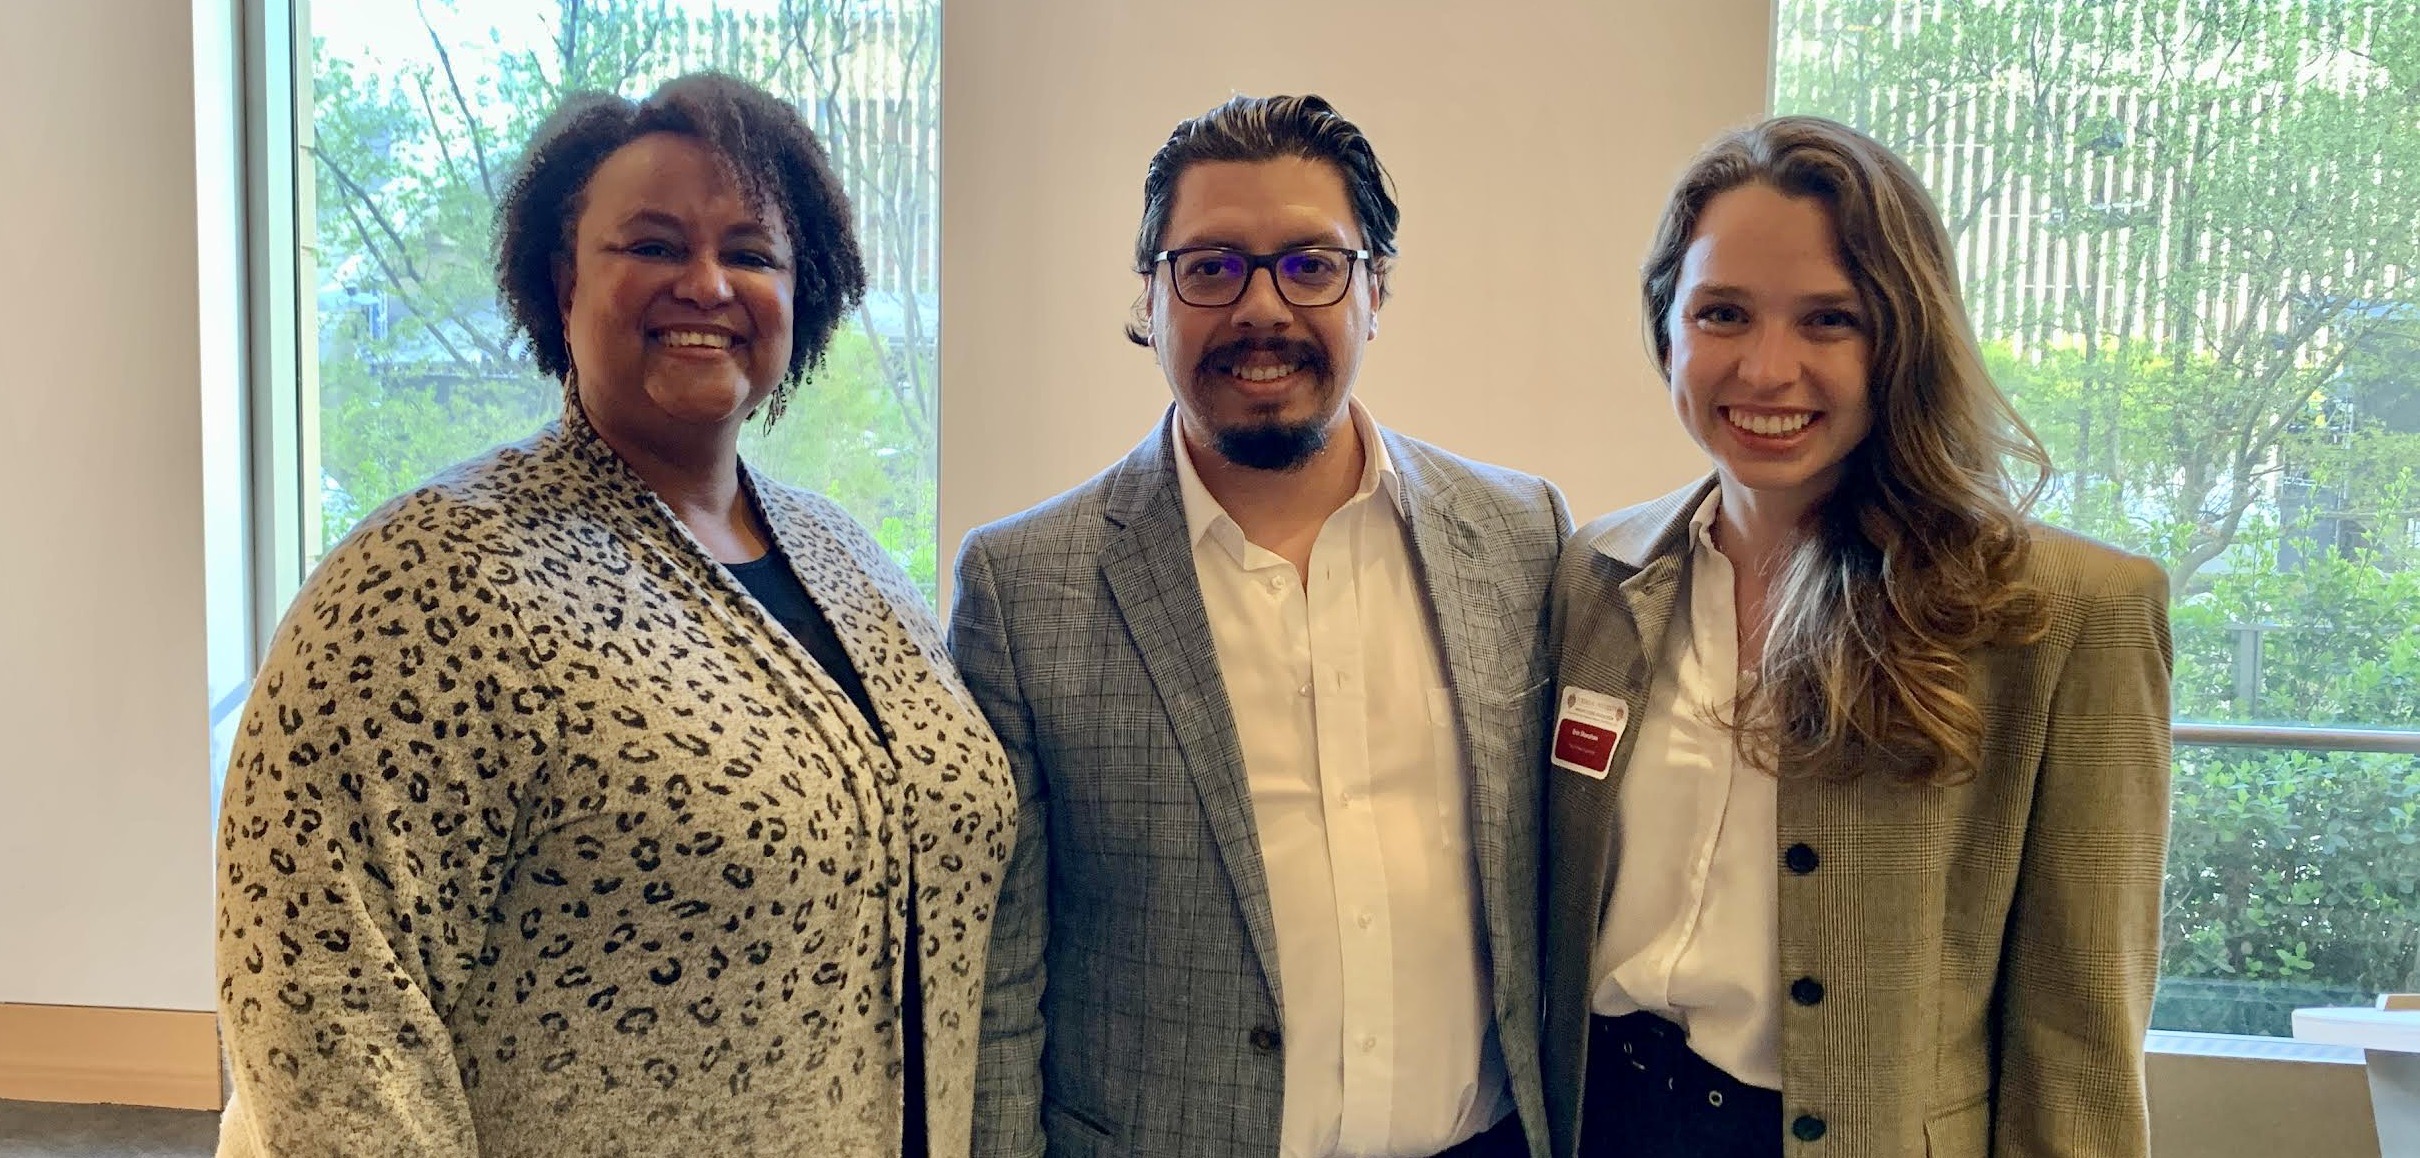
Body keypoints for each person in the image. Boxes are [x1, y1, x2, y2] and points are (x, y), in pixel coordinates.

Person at [213, 72, 1015, 1158]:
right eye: (649, 246)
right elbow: (321, 1003)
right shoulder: (433, 578)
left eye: (751, 252)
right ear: (559, 283)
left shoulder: (854, 564)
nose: (706, 283)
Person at [1539, 114, 2172, 1158]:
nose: (1765, 369)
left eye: (1828, 320)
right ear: (1667, 332)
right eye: (1723, 313)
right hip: (1596, 1124)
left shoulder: (2064, 614)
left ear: (1902, 337)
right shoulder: (1593, 575)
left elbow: (2078, 1037)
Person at [949, 94, 1568, 1158]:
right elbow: (998, 980)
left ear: (1376, 290)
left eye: (1311, 265)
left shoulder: (1523, 538)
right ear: (1148, 295)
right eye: (1211, 267)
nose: (1262, 309)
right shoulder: (1022, 585)